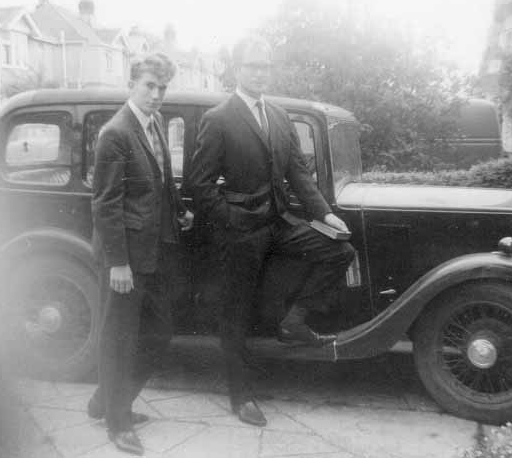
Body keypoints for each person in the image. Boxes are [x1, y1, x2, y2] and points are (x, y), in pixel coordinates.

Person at [188, 36, 355, 427]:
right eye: (252, 66)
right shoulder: (219, 118)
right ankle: (241, 396)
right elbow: (200, 183)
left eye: (265, 66)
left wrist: (326, 215)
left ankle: (294, 323)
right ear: (237, 69)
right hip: (239, 231)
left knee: (339, 251)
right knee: (236, 312)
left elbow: (297, 171)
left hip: (279, 223)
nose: (259, 72)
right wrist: (229, 220)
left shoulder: (279, 116)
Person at [88, 53, 193, 455]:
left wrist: (180, 209)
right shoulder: (116, 132)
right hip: (125, 258)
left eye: (162, 88)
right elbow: (105, 204)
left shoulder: (155, 124)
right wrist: (118, 263)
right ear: (132, 84)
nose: (156, 95)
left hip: (152, 252)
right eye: (149, 86)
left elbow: (161, 178)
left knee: (160, 331)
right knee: (119, 339)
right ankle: (117, 421)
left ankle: (107, 400)